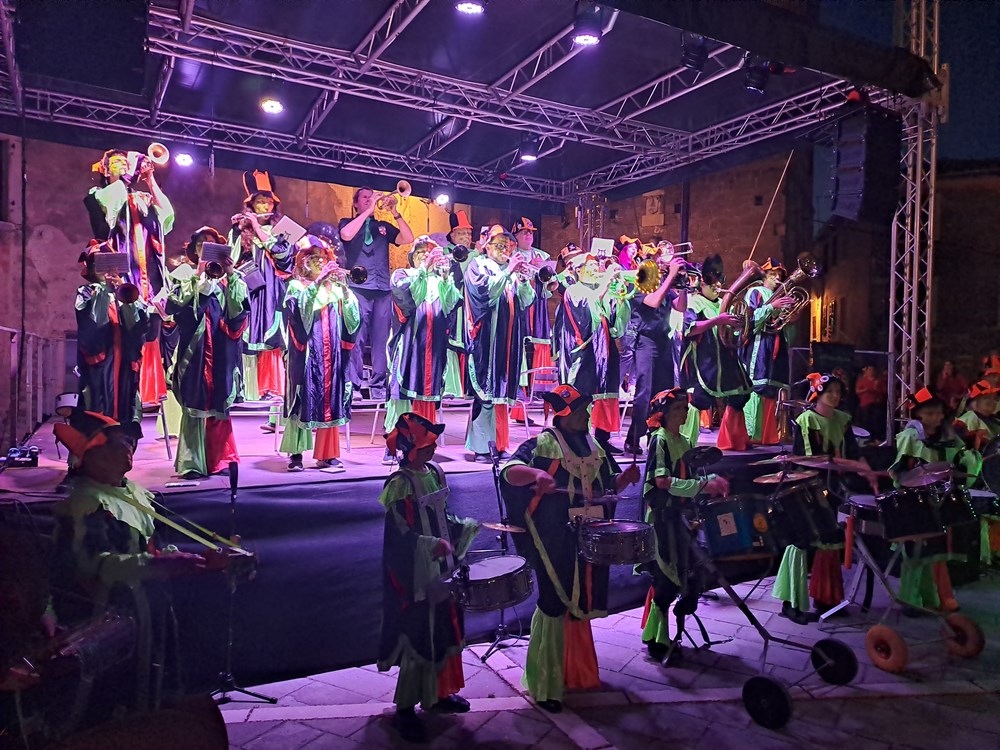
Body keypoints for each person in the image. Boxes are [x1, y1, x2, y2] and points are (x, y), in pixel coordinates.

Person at [50, 410, 215, 711]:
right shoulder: (86, 503)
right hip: (111, 616)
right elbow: (92, 566)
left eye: (127, 441)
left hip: (151, 605)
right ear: (91, 456)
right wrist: (155, 566)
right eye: (114, 443)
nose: (127, 448)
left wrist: (191, 560)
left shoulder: (135, 493)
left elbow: (153, 547)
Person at [500, 384, 641, 712]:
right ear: (563, 414)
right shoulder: (544, 443)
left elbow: (607, 487)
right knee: (554, 601)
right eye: (579, 411)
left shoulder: (595, 445)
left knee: (579, 600)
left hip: (588, 533)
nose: (586, 415)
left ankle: (574, 674)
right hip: (552, 536)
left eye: (586, 410)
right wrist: (535, 473)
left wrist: (625, 479)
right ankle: (546, 684)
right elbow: (509, 472)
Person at [377, 413, 479, 743]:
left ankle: (437, 694)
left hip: (441, 566)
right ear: (409, 450)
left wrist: (462, 529)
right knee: (418, 635)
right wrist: (429, 545)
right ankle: (405, 708)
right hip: (413, 574)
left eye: (432, 444)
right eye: (425, 446)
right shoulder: (400, 485)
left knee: (444, 628)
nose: (432, 449)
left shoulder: (434, 472)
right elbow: (399, 535)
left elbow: (440, 516)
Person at [771, 373, 875, 623]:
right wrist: (853, 465)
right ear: (817, 394)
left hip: (833, 487)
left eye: (838, 392)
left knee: (831, 542)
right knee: (802, 544)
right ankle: (791, 603)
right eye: (830, 392)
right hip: (805, 488)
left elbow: (854, 452)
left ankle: (827, 599)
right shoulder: (807, 420)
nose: (835, 396)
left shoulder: (843, 420)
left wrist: (868, 472)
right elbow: (811, 459)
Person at [640, 389, 729, 661]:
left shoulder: (685, 440)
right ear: (664, 413)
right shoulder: (660, 440)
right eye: (678, 408)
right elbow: (662, 482)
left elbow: (691, 477)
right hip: (663, 517)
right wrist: (702, 486)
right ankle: (656, 640)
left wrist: (713, 480)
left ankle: (671, 631)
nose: (684, 412)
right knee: (666, 577)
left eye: (685, 408)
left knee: (688, 572)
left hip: (681, 516)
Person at [84, 148, 175, 405]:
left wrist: (150, 179)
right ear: (105, 169)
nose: (123, 165)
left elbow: (167, 217)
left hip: (150, 279)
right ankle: (124, 392)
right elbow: (111, 209)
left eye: (126, 162)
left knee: (150, 336)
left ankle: (148, 391)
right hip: (121, 277)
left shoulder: (140, 197)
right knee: (124, 335)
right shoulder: (100, 194)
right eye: (116, 163)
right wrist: (127, 178)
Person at [889, 387, 981, 612]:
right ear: (918, 414)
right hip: (915, 502)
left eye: (939, 413)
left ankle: (936, 597)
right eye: (929, 413)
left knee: (937, 553)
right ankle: (911, 600)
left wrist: (972, 457)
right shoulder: (910, 437)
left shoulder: (949, 437)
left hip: (941, 500)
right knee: (916, 553)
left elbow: (961, 464)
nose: (936, 417)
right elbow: (898, 471)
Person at [166, 235, 249, 479]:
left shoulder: (230, 280)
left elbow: (238, 312)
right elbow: (174, 306)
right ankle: (191, 462)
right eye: (202, 246)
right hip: (196, 349)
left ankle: (220, 459)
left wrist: (231, 274)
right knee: (195, 403)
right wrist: (197, 278)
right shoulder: (185, 275)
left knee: (219, 403)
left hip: (221, 350)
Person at [281, 236, 360, 473]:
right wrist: (317, 283)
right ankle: (296, 453)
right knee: (301, 398)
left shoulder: (336, 289)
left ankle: (328, 453)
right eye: (314, 258)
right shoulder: (297, 286)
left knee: (331, 399)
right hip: (307, 353)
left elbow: (353, 321)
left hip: (332, 353)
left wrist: (345, 291)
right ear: (304, 262)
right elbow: (299, 314)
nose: (320, 262)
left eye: (323, 258)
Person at [382, 236, 462, 464]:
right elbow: (407, 299)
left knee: (427, 397)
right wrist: (424, 270)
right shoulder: (403, 275)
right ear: (412, 257)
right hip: (409, 344)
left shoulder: (441, 279)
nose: (426, 256)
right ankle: (394, 444)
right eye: (421, 253)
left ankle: (423, 444)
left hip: (434, 347)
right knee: (402, 396)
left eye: (430, 253)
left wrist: (446, 279)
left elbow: (451, 304)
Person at [464, 230, 535, 462]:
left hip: (509, 340)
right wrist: (508, 272)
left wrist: (523, 280)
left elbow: (526, 301)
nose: (505, 251)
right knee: (486, 395)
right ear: (487, 246)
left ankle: (500, 444)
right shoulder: (478, 265)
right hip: (487, 338)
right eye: (500, 245)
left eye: (509, 247)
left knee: (501, 396)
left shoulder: (510, 270)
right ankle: (482, 448)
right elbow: (483, 294)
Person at [338, 186, 415, 401]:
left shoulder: (382, 226)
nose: (369, 199)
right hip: (358, 288)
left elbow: (407, 238)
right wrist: (368, 210)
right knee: (357, 338)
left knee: (381, 340)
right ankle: (354, 384)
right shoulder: (347, 222)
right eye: (365, 197)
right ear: (355, 203)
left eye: (372, 197)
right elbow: (346, 235)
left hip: (382, 288)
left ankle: (378, 385)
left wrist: (395, 213)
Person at [551, 252, 628, 453]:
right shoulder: (573, 290)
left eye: (596, 267)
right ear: (578, 270)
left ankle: (603, 438)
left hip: (605, 347)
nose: (597, 270)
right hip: (584, 350)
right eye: (591, 267)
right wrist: (607, 281)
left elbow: (616, 323)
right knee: (582, 394)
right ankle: (578, 436)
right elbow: (588, 313)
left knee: (606, 392)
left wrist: (620, 298)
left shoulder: (602, 289)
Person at [228, 170, 294, 402]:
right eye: (260, 202)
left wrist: (257, 228)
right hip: (250, 290)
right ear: (251, 206)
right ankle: (249, 389)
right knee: (247, 335)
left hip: (273, 291)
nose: (265, 205)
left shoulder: (283, 230)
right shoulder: (240, 232)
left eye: (269, 202)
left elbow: (284, 256)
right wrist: (237, 231)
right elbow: (231, 260)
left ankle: (271, 388)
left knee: (272, 337)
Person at [73, 241, 150, 437]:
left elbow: (139, 325)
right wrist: (106, 293)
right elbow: (92, 322)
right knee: (97, 403)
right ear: (92, 268)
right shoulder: (86, 292)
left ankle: (122, 445)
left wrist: (125, 299)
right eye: (100, 263)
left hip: (125, 360)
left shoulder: (127, 290)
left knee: (126, 400)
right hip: (100, 361)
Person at [679, 255, 753, 451]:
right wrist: (718, 320)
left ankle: (733, 441)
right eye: (713, 283)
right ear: (702, 283)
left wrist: (737, 326)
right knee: (700, 399)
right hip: (704, 358)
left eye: (720, 282)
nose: (718, 286)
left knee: (741, 394)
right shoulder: (694, 302)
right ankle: (685, 442)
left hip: (725, 356)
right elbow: (689, 329)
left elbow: (733, 334)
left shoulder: (724, 303)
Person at [623, 252, 688, 456]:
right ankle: (634, 438)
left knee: (664, 392)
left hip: (664, 342)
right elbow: (654, 302)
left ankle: (656, 435)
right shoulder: (639, 286)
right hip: (646, 342)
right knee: (644, 393)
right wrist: (671, 276)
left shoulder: (664, 287)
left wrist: (683, 285)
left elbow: (681, 307)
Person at [740, 257, 796, 445]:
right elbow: (748, 320)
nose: (777, 278)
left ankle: (767, 435)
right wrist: (772, 306)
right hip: (760, 344)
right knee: (757, 387)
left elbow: (787, 331)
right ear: (764, 276)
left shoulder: (782, 296)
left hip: (777, 346)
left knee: (772, 390)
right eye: (773, 274)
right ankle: (751, 433)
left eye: (779, 275)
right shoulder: (755, 291)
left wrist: (791, 318)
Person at [442, 210, 477, 398]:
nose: (467, 237)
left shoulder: (476, 255)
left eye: (469, 233)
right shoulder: (446, 253)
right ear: (453, 236)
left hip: (471, 309)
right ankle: (451, 388)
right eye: (462, 233)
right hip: (453, 307)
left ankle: (470, 388)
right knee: (451, 345)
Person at [955, 379, 1000, 450]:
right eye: (986, 397)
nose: (993, 401)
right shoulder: (970, 418)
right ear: (974, 400)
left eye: (995, 398)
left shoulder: (995, 420)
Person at [854, 365, 887, 440]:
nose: (871, 371)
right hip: (865, 404)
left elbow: (884, 391)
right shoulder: (862, 380)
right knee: (866, 422)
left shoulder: (878, 381)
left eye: (872, 370)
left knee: (877, 421)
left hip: (876, 404)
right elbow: (857, 391)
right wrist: (865, 390)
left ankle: (876, 438)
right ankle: (867, 438)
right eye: (869, 370)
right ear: (866, 371)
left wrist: (877, 388)